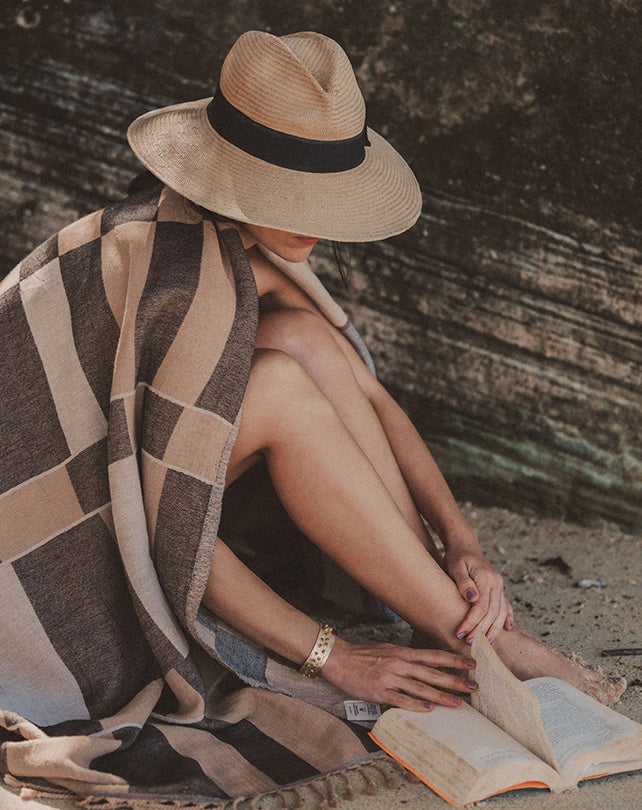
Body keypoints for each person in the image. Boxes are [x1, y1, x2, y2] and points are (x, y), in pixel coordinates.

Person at [0, 28, 624, 803]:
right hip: (31, 552)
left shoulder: (238, 247)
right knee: (282, 390)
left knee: (303, 343)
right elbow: (175, 529)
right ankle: (489, 645)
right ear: (233, 179)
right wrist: (336, 658)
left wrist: (463, 545)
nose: (316, 224)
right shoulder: (178, 281)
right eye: (292, 198)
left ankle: (457, 617)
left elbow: (366, 392)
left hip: (130, 488)